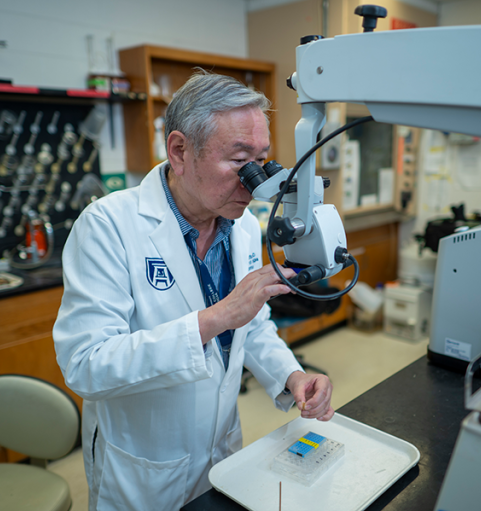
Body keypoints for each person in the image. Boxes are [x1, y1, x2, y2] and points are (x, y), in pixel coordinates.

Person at [53, 71, 335, 511]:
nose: (255, 182)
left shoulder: (240, 225)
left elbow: (252, 327)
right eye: (239, 159)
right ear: (180, 151)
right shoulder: (108, 226)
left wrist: (291, 376)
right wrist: (216, 317)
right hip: (144, 468)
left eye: (262, 160)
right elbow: (85, 366)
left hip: (221, 452)